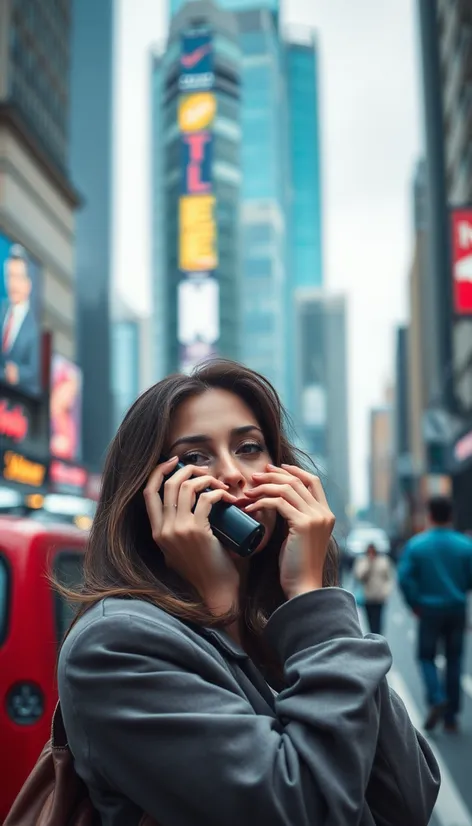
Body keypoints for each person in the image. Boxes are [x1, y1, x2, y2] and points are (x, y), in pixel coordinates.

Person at [57, 360, 439, 826]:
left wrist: (303, 598)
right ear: (150, 493)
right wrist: (303, 607)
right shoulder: (115, 644)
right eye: (195, 457)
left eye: (249, 447)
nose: (234, 473)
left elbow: (408, 798)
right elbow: (308, 811)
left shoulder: (273, 620)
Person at [398, 496, 472, 733]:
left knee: (426, 657)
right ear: (451, 516)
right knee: (454, 659)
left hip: (428, 610)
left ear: (430, 515)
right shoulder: (465, 545)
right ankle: (451, 717)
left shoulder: (417, 545)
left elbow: (404, 579)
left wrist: (415, 604)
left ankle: (437, 697)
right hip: (457, 608)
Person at [0, 243, 39, 394]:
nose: (13, 284)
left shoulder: (34, 328)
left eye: (17, 277)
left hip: (16, 404)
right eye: (9, 276)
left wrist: (18, 374)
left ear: (28, 284)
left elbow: (36, 371)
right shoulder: (1, 310)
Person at [353, 542, 394, 634]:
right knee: (370, 621)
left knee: (379, 620)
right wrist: (369, 563)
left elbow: (389, 578)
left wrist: (386, 591)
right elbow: (359, 576)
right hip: (368, 596)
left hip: (380, 597)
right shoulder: (362, 561)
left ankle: (378, 637)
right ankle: (373, 636)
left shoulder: (384, 561)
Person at [50, 361, 80, 460]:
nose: (71, 397)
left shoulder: (70, 422)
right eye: (68, 391)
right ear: (58, 386)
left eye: (73, 393)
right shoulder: (43, 413)